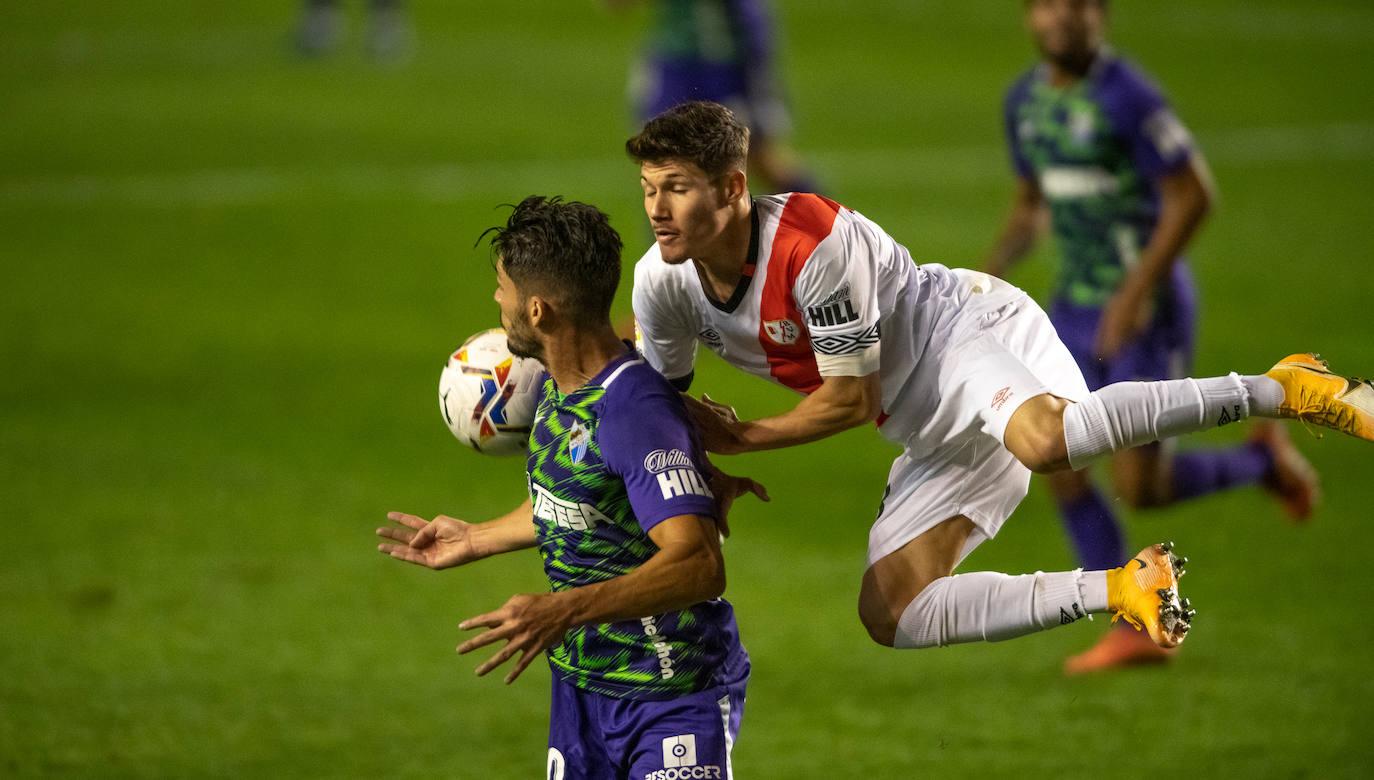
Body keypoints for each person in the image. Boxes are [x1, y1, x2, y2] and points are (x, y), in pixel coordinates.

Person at [625, 99, 1373, 660]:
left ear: (731, 188)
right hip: (924, 428)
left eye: (677, 187)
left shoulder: (813, 245)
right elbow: (660, 405)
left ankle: (1285, 388)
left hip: (964, 335)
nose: (657, 208)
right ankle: (1123, 588)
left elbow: (855, 398)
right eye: (649, 188)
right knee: (891, 614)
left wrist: (743, 438)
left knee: (1048, 442)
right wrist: (700, 474)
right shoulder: (661, 283)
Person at [981, 0, 1320, 673]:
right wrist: (982, 281)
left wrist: (1136, 291)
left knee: (1139, 485)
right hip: (1072, 310)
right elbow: (1030, 204)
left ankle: (1263, 463)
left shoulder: (1127, 95)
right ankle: (1134, 623)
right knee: (1055, 463)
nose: (1062, 19)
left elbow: (1194, 194)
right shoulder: (1023, 102)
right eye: (1048, 6)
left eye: (1077, 6)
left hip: (1145, 309)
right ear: (1030, 18)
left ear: (1099, 16)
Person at [377, 196, 757, 779]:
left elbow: (699, 565)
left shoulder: (633, 411)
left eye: (502, 289)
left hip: (669, 695)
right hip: (582, 690)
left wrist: (563, 610)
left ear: (537, 309)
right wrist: (476, 538)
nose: (496, 302)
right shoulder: (555, 387)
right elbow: (581, 503)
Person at [610, 0, 817, 194]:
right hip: (675, 61)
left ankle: (827, 227)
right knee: (664, 162)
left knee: (758, 158)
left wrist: (756, 61)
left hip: (726, 60)